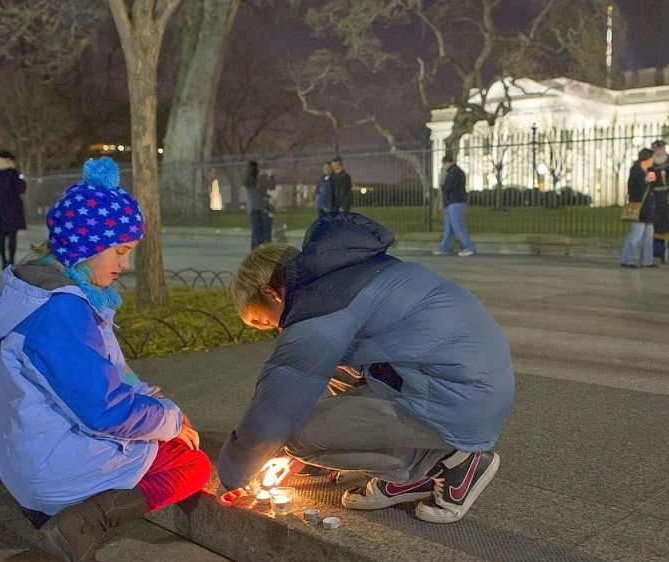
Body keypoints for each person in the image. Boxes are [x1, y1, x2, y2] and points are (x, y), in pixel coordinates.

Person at [216, 212, 514, 524]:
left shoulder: (318, 309)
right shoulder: (347, 274)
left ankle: (450, 463)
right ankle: (412, 476)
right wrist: (322, 451)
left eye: (265, 321)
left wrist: (235, 473)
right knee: (334, 372)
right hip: (468, 383)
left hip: (457, 399)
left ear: (271, 293)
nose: (277, 331)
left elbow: (276, 409)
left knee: (295, 436)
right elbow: (344, 378)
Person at [0, 157, 211, 562]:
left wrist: (152, 400)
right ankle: (84, 522)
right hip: (51, 465)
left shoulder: (31, 287)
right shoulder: (61, 310)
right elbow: (104, 411)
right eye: (120, 252)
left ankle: (54, 509)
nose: (124, 266)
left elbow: (106, 371)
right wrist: (168, 420)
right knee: (194, 466)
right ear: (87, 245)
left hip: (23, 457)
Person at [434, 154, 477, 257]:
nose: (443, 167)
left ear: (447, 163)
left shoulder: (454, 172)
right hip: (453, 202)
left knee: (458, 226)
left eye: (444, 164)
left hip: (455, 202)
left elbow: (450, 186)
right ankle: (444, 248)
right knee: (448, 227)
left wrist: (443, 186)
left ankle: (469, 247)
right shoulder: (455, 171)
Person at [620, 148, 656, 268]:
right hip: (640, 208)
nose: (653, 161)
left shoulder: (648, 171)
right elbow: (633, 188)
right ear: (646, 158)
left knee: (648, 238)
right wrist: (645, 181)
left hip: (648, 208)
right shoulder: (636, 170)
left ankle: (647, 261)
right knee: (636, 236)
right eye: (651, 158)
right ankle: (626, 259)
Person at [0, 149, 27, 270]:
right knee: (12, 236)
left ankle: (3, 260)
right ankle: (11, 261)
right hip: (12, 209)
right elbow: (21, 188)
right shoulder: (12, 172)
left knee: (0, 236)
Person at [243, 160, 276, 249]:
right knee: (265, 228)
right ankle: (265, 247)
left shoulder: (247, 180)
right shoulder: (261, 178)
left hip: (252, 206)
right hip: (262, 206)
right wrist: (271, 176)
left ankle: (254, 247)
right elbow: (271, 186)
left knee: (255, 229)